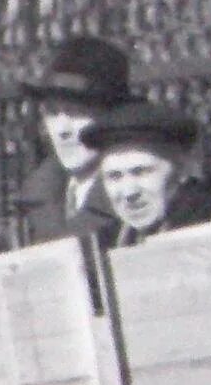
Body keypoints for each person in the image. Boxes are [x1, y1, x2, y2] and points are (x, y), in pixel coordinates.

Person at [9, 36, 136, 249]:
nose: (62, 130)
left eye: (77, 113)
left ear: (112, 118)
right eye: (52, 113)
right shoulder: (31, 206)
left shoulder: (134, 201)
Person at [72, 100, 211, 247]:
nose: (129, 192)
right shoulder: (104, 244)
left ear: (182, 170)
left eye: (141, 172)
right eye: (114, 177)